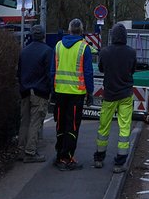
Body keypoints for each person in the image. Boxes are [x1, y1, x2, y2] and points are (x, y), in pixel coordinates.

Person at [93, 23, 137, 174]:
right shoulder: (131, 52)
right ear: (125, 37)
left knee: (103, 127)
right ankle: (120, 161)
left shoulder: (105, 52)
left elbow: (101, 69)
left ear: (112, 37)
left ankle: (99, 158)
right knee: (124, 127)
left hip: (109, 95)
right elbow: (133, 70)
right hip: (125, 95)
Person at [51, 18, 94, 170]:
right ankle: (66, 158)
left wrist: (53, 91)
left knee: (60, 124)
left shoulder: (58, 46)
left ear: (69, 30)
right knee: (72, 126)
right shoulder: (84, 48)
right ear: (81, 31)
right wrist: (90, 92)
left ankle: (59, 154)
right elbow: (88, 73)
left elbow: (53, 70)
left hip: (60, 92)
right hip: (76, 94)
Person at [17, 23, 53, 163]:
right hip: (39, 92)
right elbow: (49, 74)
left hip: (25, 91)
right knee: (35, 122)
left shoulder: (24, 51)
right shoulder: (47, 51)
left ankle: (21, 149)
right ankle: (30, 152)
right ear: (43, 36)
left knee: (24, 121)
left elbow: (19, 73)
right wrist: (51, 91)